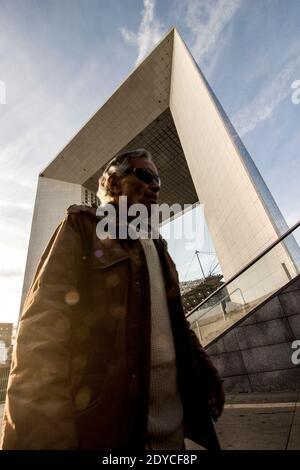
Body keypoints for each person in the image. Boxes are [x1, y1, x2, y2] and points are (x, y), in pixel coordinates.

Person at [1, 149, 224, 450]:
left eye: (158, 179)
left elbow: (178, 326)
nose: (156, 185)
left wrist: (207, 373)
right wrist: (41, 437)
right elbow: (42, 330)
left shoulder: (159, 247)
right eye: (144, 175)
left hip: (172, 435)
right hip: (112, 432)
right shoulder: (81, 227)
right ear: (113, 182)